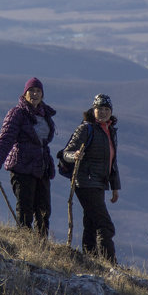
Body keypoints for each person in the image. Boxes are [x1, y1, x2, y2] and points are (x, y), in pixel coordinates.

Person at [0, 77, 57, 236]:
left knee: (44, 211)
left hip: (42, 168)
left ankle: (41, 246)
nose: (35, 94)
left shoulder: (46, 115)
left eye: (38, 91)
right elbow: (6, 137)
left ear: (42, 95)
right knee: (25, 209)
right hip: (22, 167)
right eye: (31, 90)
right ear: (24, 93)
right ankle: (25, 243)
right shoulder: (17, 113)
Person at [59, 93, 120, 263]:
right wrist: (75, 155)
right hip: (85, 182)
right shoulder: (86, 129)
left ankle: (90, 260)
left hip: (100, 183)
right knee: (105, 225)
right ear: (93, 110)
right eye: (99, 108)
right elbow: (65, 153)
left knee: (92, 223)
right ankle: (110, 264)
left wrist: (115, 187)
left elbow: (113, 161)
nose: (103, 112)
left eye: (106, 109)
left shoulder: (110, 132)